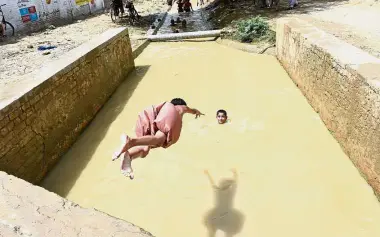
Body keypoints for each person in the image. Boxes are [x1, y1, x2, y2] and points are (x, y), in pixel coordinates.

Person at [112, 98, 204, 179]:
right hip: (162, 116)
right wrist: (195, 111)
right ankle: (131, 142)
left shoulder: (162, 110)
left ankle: (128, 156)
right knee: (160, 139)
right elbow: (188, 109)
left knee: (145, 150)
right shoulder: (178, 108)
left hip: (146, 117)